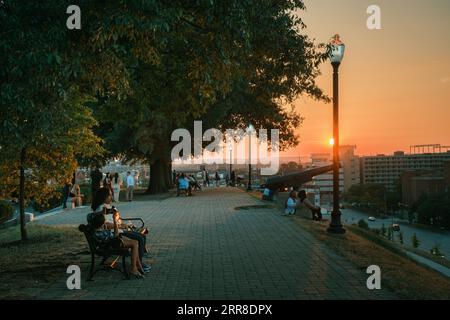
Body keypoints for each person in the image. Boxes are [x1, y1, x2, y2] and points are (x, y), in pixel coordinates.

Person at [89, 188, 151, 275]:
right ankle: (139, 264)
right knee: (139, 238)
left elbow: (118, 220)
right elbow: (105, 224)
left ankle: (139, 263)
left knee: (141, 236)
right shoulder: (101, 209)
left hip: (118, 230)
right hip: (115, 234)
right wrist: (119, 225)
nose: (111, 197)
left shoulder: (110, 207)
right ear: (104, 197)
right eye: (109, 195)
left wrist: (124, 225)